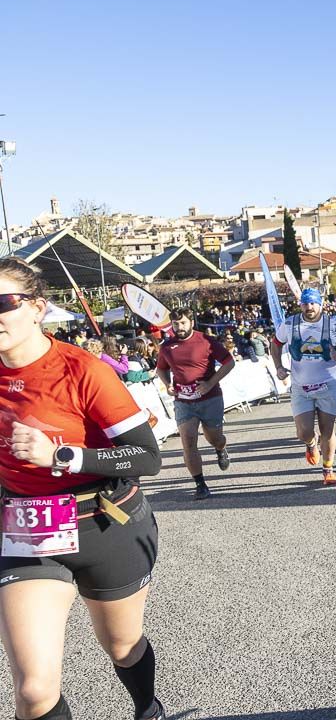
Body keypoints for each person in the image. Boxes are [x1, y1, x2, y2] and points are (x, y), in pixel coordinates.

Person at [0, 258, 166, 720]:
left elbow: (148, 457)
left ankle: (147, 708)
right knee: (33, 690)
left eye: (2, 302)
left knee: (122, 646)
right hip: (29, 529)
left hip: (103, 522)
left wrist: (62, 455)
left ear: (37, 307)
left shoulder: (84, 370)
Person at [271, 288, 336, 486]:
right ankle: (310, 443)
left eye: (312, 303)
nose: (309, 307)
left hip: (328, 384)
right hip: (301, 387)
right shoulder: (290, 323)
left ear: (320, 304)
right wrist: (278, 367)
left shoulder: (333, 323)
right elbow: (275, 344)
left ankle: (328, 470)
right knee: (304, 432)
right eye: (305, 303)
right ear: (300, 304)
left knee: (328, 430)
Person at [156, 307, 236, 500]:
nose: (179, 327)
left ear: (191, 322)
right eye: (175, 324)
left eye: (183, 323)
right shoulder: (167, 346)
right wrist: (167, 385)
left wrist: (210, 383)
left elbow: (229, 362)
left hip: (210, 399)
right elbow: (161, 369)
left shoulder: (205, 341)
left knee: (214, 437)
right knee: (188, 441)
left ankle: (220, 448)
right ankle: (200, 484)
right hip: (184, 401)